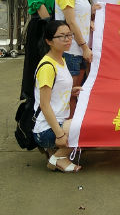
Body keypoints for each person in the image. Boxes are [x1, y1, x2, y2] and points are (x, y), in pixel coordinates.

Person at [32, 20, 82, 172]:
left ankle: (54, 152)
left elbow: (55, 88)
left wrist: (70, 91)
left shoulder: (61, 59)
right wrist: (60, 135)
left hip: (59, 122)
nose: (67, 39)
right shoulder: (48, 67)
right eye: (61, 36)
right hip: (46, 129)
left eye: (69, 35)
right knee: (88, 127)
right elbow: (44, 105)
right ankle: (57, 158)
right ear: (49, 41)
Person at [20, 0, 65, 99]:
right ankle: (36, 104)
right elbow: (37, 3)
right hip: (42, 26)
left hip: (63, 26)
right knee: (40, 66)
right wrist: (53, 29)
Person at [55, 0, 93, 110]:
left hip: (79, 50)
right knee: (70, 95)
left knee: (77, 93)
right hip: (71, 50)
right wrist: (84, 47)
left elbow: (79, 16)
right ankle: (66, 125)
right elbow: (71, 21)